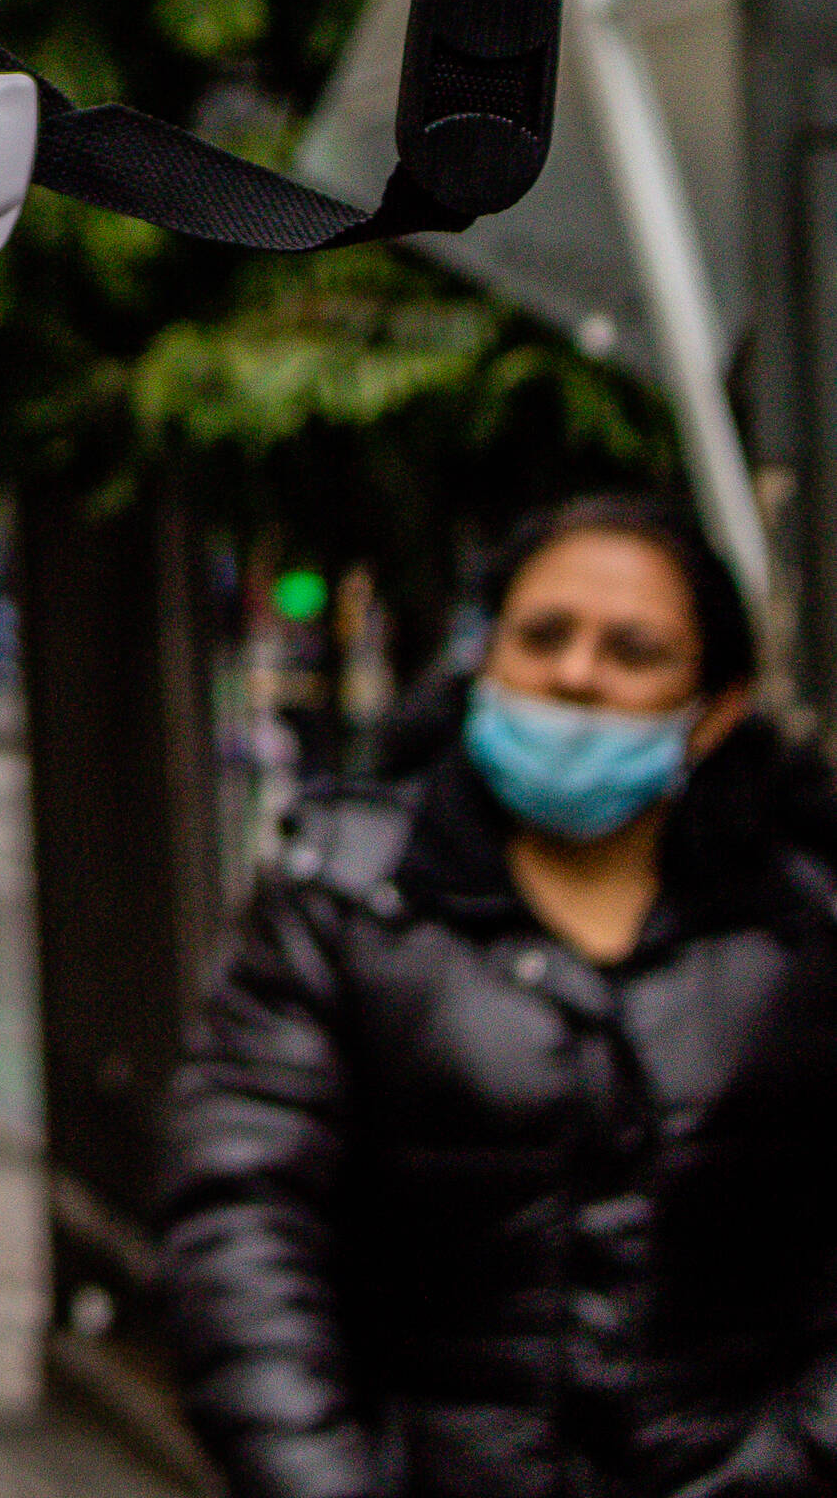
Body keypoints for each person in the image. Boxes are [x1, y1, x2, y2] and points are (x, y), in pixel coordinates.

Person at [162, 499, 837, 1498]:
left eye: (634, 651)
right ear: (484, 659)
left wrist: (789, 1467)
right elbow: (242, 1222)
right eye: (543, 636)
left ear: (715, 707)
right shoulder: (343, 897)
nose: (576, 675)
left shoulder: (801, 920)